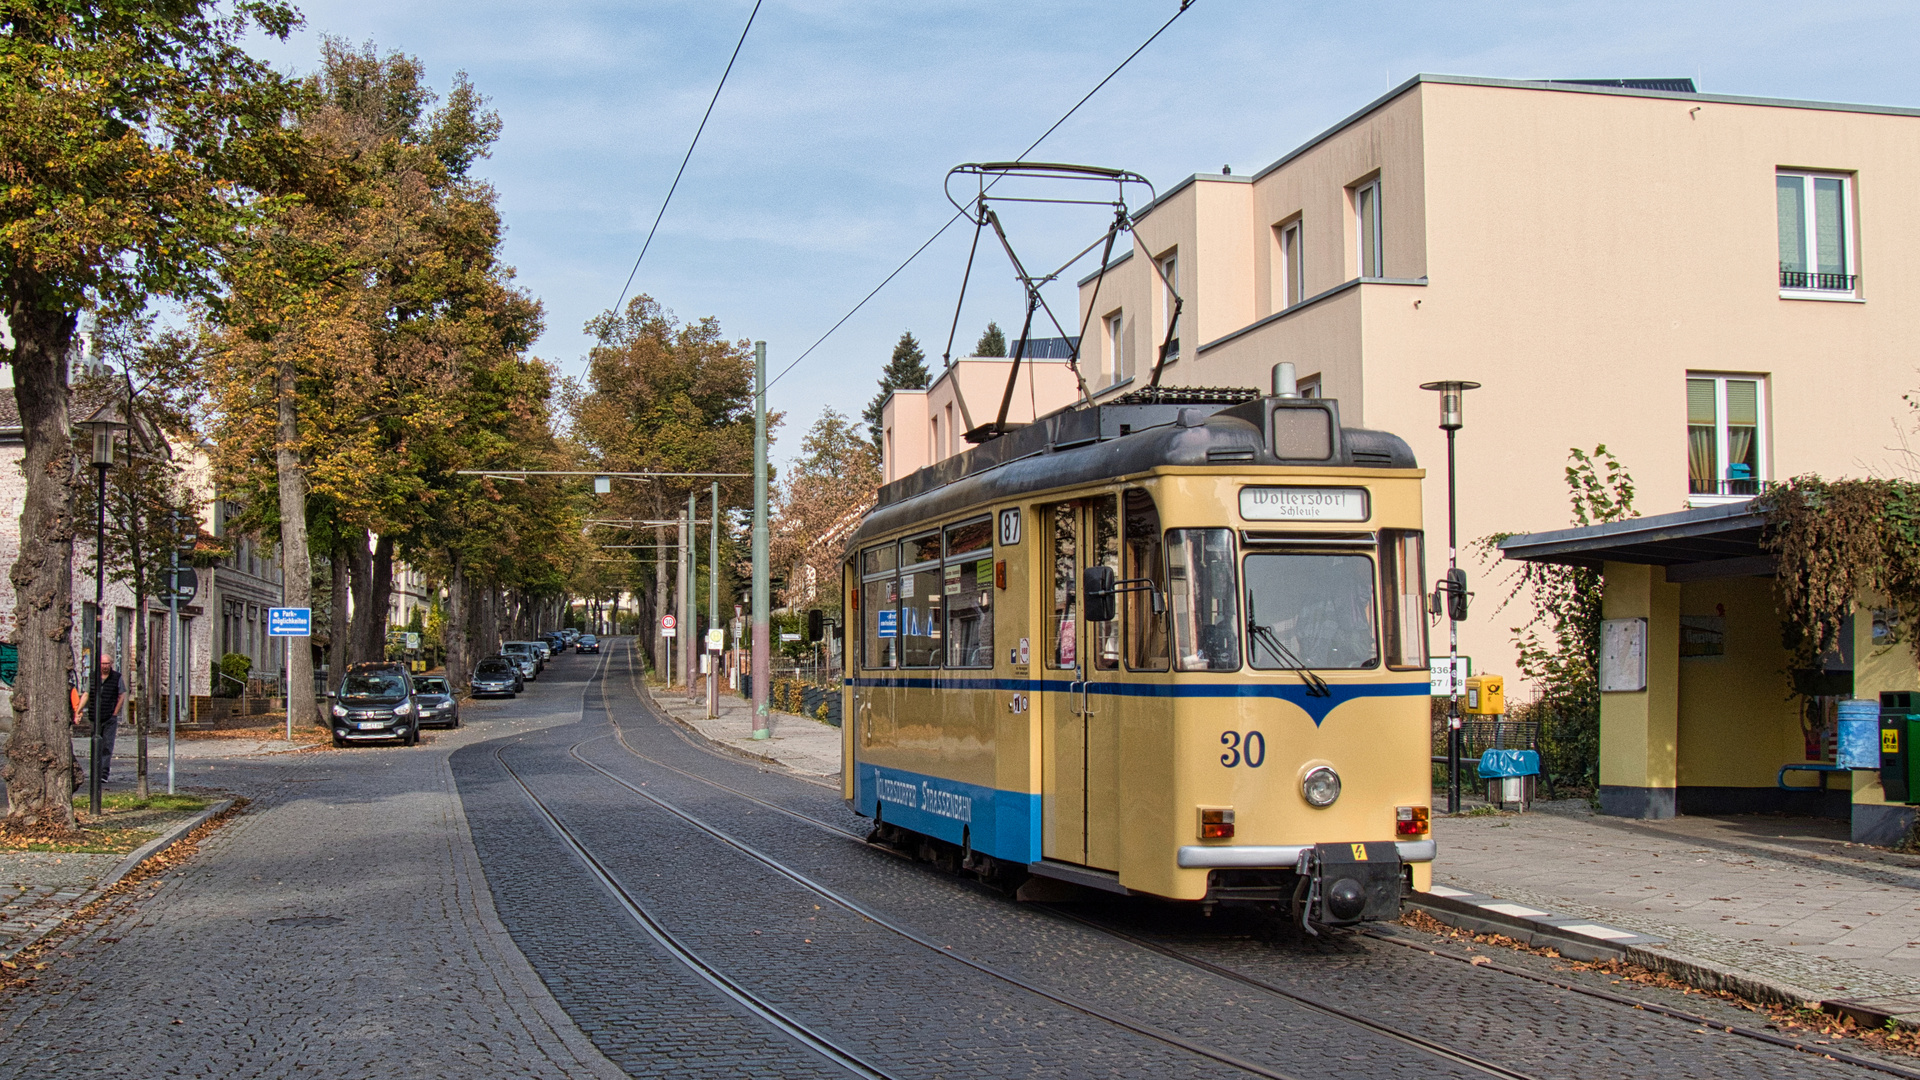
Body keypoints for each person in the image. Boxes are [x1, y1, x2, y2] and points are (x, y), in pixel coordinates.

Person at [74, 653, 125, 786]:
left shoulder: (116, 677)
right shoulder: (93, 677)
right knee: (95, 744)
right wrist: (79, 710)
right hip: (94, 716)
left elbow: (122, 695)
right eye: (103, 664)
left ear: (111, 664)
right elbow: (86, 694)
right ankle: (95, 771)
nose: (105, 666)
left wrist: (115, 712)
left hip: (109, 716)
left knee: (107, 746)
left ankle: (103, 773)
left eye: (107, 664)